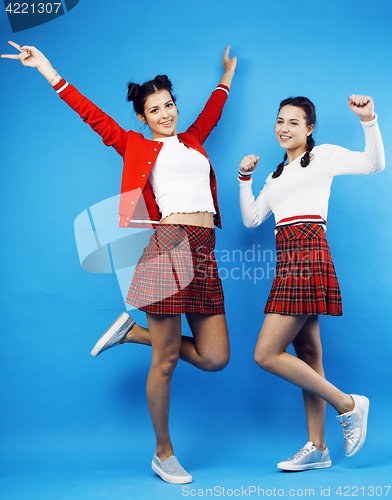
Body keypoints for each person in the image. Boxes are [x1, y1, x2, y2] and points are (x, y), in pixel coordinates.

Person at [2, 41, 237, 484]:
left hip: (204, 251)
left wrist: (226, 75)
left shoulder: (193, 141)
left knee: (216, 357)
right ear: (142, 118)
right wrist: (48, 70)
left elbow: (213, 110)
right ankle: (163, 453)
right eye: (155, 110)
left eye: (169, 105)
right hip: (169, 245)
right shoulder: (135, 146)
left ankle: (131, 332)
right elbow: (92, 117)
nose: (166, 114)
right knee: (165, 359)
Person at [238, 94, 385, 471]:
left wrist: (368, 121)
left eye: (293, 123)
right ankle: (318, 448)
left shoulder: (323, 157)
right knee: (309, 353)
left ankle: (349, 404)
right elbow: (253, 218)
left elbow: (374, 164)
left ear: (309, 128)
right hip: (286, 258)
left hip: (308, 254)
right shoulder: (276, 176)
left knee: (266, 354)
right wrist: (244, 180)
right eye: (280, 121)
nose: (284, 129)